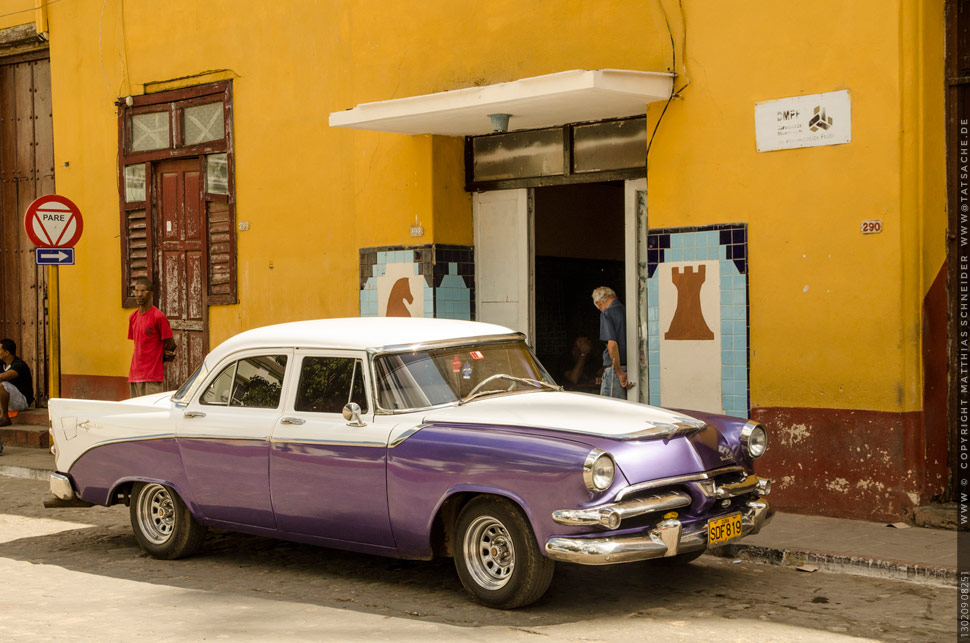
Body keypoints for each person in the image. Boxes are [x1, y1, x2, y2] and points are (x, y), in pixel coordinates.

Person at [128, 277, 176, 398]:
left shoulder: (158, 317)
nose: (139, 294)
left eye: (143, 291)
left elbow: (171, 344)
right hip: (134, 375)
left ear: (151, 294)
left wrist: (162, 356)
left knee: (151, 413)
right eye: (136, 291)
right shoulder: (133, 317)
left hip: (152, 376)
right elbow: (140, 344)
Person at [592, 286, 632, 399]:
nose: (600, 310)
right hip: (630, 366)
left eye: (599, 307)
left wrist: (619, 372)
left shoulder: (607, 313)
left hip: (616, 369)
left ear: (599, 302)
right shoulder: (628, 311)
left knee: (610, 410)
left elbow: (612, 344)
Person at [0, 338, 34, 454]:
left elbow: (4, 377)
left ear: (6, 352)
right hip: (8, 400)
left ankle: (4, 417)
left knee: (2, 385)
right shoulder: (1, 363)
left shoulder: (19, 365)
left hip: (21, 401)